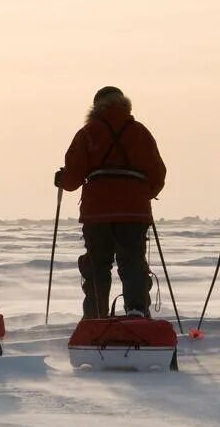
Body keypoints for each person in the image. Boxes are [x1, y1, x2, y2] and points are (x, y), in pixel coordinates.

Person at [55, 86, 167, 319]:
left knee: (97, 266)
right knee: (133, 263)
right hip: (134, 213)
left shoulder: (88, 132)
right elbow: (158, 173)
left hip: (97, 212)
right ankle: (136, 312)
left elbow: (73, 178)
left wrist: (62, 179)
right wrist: (141, 196)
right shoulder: (140, 132)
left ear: (96, 106)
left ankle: (96, 317)